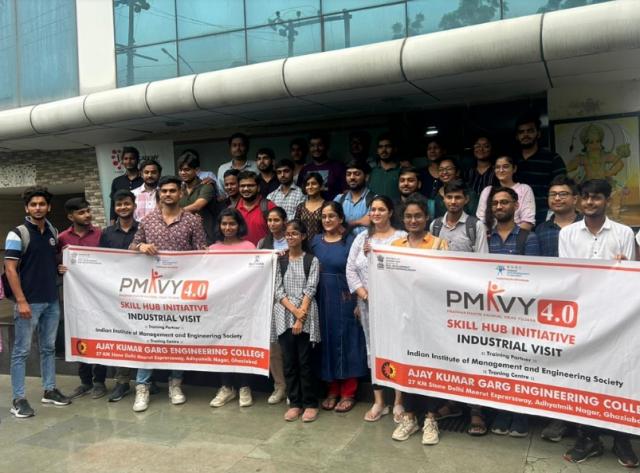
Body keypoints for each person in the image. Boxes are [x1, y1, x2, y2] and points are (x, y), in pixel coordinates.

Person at [558, 179, 637, 468]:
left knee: (619, 376)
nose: (591, 202)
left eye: (597, 197)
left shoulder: (624, 233)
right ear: (579, 201)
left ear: (607, 200)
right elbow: (567, 276)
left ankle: (621, 438)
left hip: (617, 318)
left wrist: (625, 265)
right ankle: (588, 438)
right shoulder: (567, 233)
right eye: (586, 197)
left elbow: (630, 279)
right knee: (585, 376)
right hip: (582, 316)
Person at [129, 175, 208, 412]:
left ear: (180, 193)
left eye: (172, 190)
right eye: (164, 191)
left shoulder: (193, 221)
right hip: (153, 290)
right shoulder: (147, 221)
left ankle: (175, 384)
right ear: (159, 194)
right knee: (149, 336)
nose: (168, 194)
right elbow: (132, 246)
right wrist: (141, 246)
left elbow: (201, 252)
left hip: (182, 290)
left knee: (178, 337)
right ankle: (142, 386)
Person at [5, 187, 71, 418]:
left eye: (42, 204)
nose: (38, 208)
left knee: (48, 348)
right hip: (29, 303)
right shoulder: (17, 234)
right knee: (21, 352)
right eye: (33, 204)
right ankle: (18, 399)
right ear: (27, 208)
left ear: (48, 207)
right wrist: (21, 301)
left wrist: (58, 267)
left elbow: (47, 261)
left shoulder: (53, 231)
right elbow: (10, 269)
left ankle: (49, 390)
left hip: (51, 300)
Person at [390, 195, 447, 445]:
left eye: (418, 216)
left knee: (430, 367)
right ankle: (410, 417)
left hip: (431, 316)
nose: (413, 220)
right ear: (403, 219)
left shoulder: (439, 244)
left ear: (426, 218)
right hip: (404, 316)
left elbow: (445, 278)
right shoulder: (395, 246)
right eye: (408, 216)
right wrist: (373, 255)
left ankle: (431, 420)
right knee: (407, 365)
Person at [346, 195, 406, 423]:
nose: (376, 213)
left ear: (390, 212)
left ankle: (399, 401)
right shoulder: (361, 238)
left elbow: (406, 270)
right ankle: (379, 401)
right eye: (373, 210)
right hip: (368, 305)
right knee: (374, 349)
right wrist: (364, 296)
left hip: (396, 305)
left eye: (381, 209)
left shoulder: (401, 238)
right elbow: (350, 269)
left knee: (398, 349)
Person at [486, 186, 539, 438]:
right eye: (495, 203)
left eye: (504, 202)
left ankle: (520, 414)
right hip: (493, 311)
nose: (499, 207)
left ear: (516, 205)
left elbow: (535, 277)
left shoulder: (528, 238)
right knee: (497, 363)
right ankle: (502, 411)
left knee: (520, 364)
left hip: (521, 313)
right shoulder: (486, 238)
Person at [310, 202, 367, 415]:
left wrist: (358, 302)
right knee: (326, 341)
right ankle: (332, 389)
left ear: (341, 218)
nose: (327, 220)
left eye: (331, 216)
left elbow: (359, 271)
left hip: (346, 298)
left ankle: (348, 392)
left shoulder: (351, 241)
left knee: (348, 342)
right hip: (321, 298)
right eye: (324, 216)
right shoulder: (315, 241)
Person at [273, 219, 321, 422]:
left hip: (305, 313)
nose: (290, 237)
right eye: (288, 234)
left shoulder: (311, 260)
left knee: (305, 361)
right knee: (289, 361)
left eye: (294, 233)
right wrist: (293, 311)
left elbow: (311, 288)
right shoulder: (280, 261)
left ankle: (310, 403)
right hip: (284, 313)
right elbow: (277, 290)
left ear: (303, 236)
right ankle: (295, 403)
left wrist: (301, 316)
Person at [58, 197, 105, 400]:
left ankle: (100, 381)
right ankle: (85, 382)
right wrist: (59, 267)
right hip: (76, 297)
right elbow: (55, 261)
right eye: (81, 212)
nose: (87, 215)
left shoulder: (101, 235)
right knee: (79, 336)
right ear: (71, 217)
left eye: (88, 211)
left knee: (100, 336)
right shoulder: (62, 238)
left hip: (99, 296)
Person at [98, 190, 139, 402]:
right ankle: (122, 382)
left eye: (127, 203)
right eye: (119, 204)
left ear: (134, 205)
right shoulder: (106, 233)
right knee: (122, 336)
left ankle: (146, 380)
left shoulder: (144, 229)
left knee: (146, 335)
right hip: (115, 294)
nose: (123, 207)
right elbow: (101, 262)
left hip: (141, 293)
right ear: (114, 208)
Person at [256, 207, 288, 405]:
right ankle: (280, 385)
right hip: (270, 299)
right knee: (273, 346)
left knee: (291, 346)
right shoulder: (262, 243)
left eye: (276, 220)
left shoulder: (293, 239)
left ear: (285, 221)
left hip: (291, 299)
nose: (273, 224)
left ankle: (293, 387)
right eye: (270, 220)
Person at [514, 111, 567, 224]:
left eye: (530, 131)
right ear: (517, 136)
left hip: (544, 216)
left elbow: (562, 188)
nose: (525, 135)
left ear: (538, 133)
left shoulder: (553, 158)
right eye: (521, 132)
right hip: (516, 217)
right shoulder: (511, 160)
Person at [477, 154, 536, 231]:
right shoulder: (487, 191)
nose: (501, 170)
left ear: (514, 169)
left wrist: (510, 237)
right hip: (490, 236)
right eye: (497, 167)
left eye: (505, 166)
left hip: (518, 235)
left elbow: (527, 221)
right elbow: (481, 220)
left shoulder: (524, 189)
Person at [430, 180, 489, 253]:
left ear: (466, 199)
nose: (453, 202)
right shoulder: (435, 226)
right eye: (449, 197)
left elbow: (482, 257)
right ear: (444, 199)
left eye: (458, 197)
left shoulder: (477, 226)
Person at [178, 152, 220, 245]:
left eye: (187, 170)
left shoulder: (207, 186)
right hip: (184, 239)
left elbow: (197, 206)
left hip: (205, 239)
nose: (183, 173)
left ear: (196, 170)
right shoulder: (179, 189)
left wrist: (174, 213)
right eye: (180, 170)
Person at [536, 176, 581, 258]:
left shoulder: (586, 225)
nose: (557, 198)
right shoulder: (541, 229)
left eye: (563, 194)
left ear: (575, 199)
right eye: (553, 194)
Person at [296, 132, 345, 200]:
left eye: (320, 145)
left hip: (333, 206)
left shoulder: (338, 167)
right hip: (310, 206)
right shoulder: (305, 170)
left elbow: (346, 192)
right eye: (312, 145)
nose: (316, 148)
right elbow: (299, 194)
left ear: (326, 146)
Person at [235, 170, 276, 245]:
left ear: (258, 188)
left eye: (250, 185)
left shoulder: (269, 206)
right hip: (239, 252)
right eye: (242, 186)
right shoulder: (233, 209)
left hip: (264, 251)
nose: (246, 189)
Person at [334, 160, 372, 235]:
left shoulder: (375, 200)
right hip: (342, 242)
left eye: (357, 174)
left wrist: (345, 225)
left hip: (365, 242)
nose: (352, 177)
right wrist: (358, 222)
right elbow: (331, 223)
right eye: (348, 174)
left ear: (366, 177)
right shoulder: (339, 199)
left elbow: (373, 225)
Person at [109, 146, 143, 223]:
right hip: (123, 223)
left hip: (142, 221)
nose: (128, 161)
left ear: (138, 160)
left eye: (132, 158)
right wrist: (112, 224)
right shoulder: (117, 181)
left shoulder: (145, 180)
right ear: (122, 161)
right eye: (126, 159)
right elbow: (113, 204)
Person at [295, 172, 326, 242]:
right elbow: (296, 227)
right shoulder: (301, 207)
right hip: (303, 245)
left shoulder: (327, 206)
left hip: (321, 244)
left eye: (314, 183)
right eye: (307, 184)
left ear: (321, 186)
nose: (310, 187)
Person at [369, 133, 401, 200]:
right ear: (377, 151)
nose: (384, 150)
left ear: (394, 149)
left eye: (388, 146)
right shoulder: (371, 172)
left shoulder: (401, 170)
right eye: (380, 147)